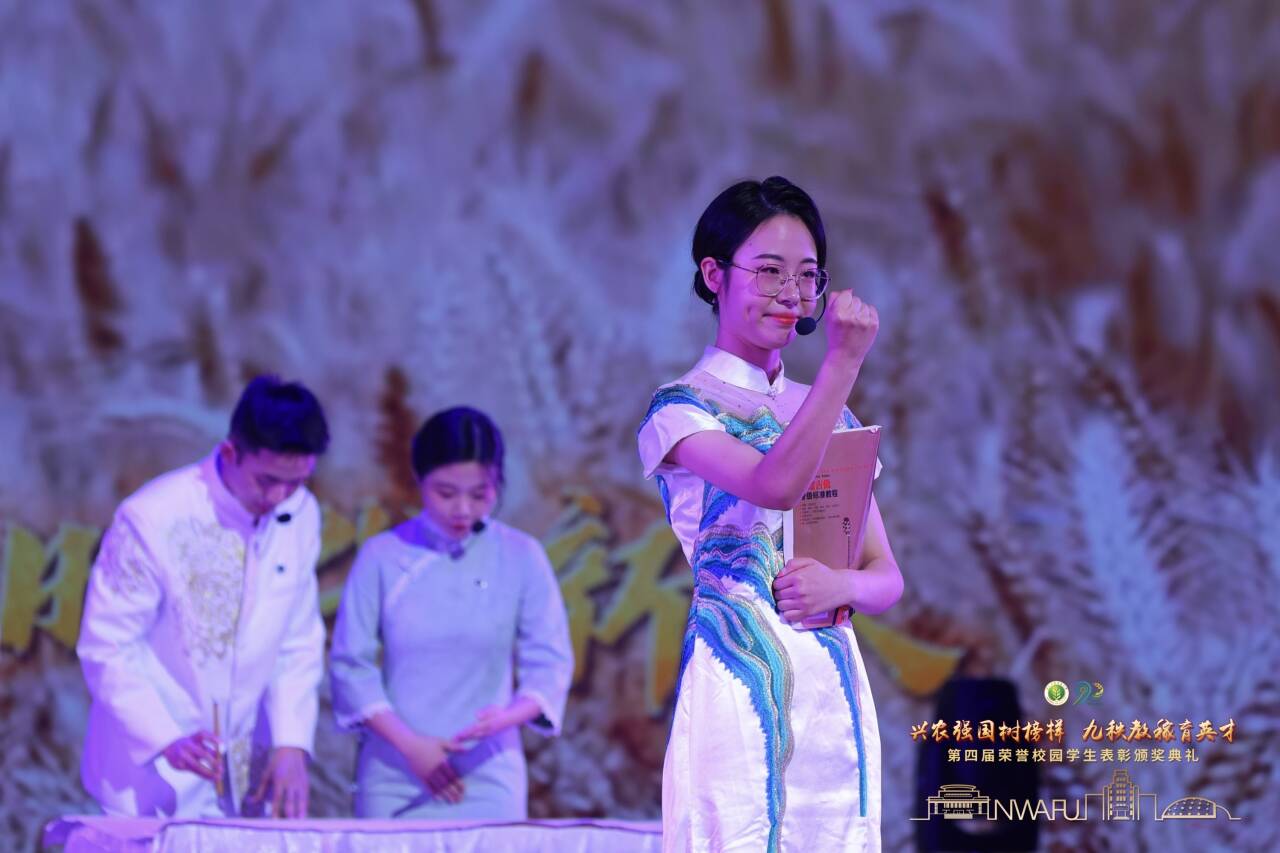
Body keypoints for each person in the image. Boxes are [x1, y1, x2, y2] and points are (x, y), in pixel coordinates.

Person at [637, 176, 904, 851]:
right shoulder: (682, 408)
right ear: (714, 275)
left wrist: (840, 585)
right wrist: (843, 363)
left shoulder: (829, 409)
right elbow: (773, 483)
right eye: (769, 271)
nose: (791, 292)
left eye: (807, 275)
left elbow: (885, 577)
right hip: (736, 677)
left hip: (830, 687)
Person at [77, 375, 330, 818]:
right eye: (267, 480)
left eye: (295, 483)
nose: (279, 497)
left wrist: (291, 741)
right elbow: (107, 644)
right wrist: (164, 736)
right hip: (152, 770)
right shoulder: (153, 518)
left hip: (244, 767)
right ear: (230, 453)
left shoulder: (301, 512)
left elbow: (297, 635)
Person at [329, 406, 573, 819]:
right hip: (395, 771)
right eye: (446, 493)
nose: (462, 509)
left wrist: (507, 717)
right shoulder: (382, 556)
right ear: (419, 481)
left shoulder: (521, 555)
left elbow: (550, 661)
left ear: (499, 483)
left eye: (480, 494)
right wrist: (411, 746)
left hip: (488, 772)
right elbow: (350, 666)